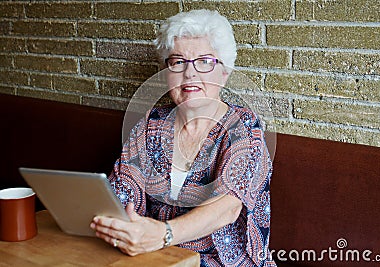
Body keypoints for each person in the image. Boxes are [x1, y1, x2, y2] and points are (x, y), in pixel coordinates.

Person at [90, 9, 276, 267]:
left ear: (224, 72)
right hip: (155, 258)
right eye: (178, 62)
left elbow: (227, 207)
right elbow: (124, 188)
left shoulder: (244, 128)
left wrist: (163, 235)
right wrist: (117, 222)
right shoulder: (151, 124)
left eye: (204, 61)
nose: (190, 74)